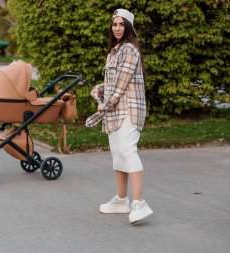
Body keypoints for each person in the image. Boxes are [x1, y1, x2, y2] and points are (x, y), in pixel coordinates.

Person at [89, 9, 153, 224]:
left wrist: (104, 104)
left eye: (121, 25)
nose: (117, 28)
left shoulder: (129, 50)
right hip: (115, 110)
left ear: (129, 27)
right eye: (114, 24)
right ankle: (121, 200)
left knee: (128, 151)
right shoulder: (114, 51)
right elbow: (112, 82)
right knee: (118, 154)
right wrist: (99, 88)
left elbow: (122, 85)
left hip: (129, 109)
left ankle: (140, 203)